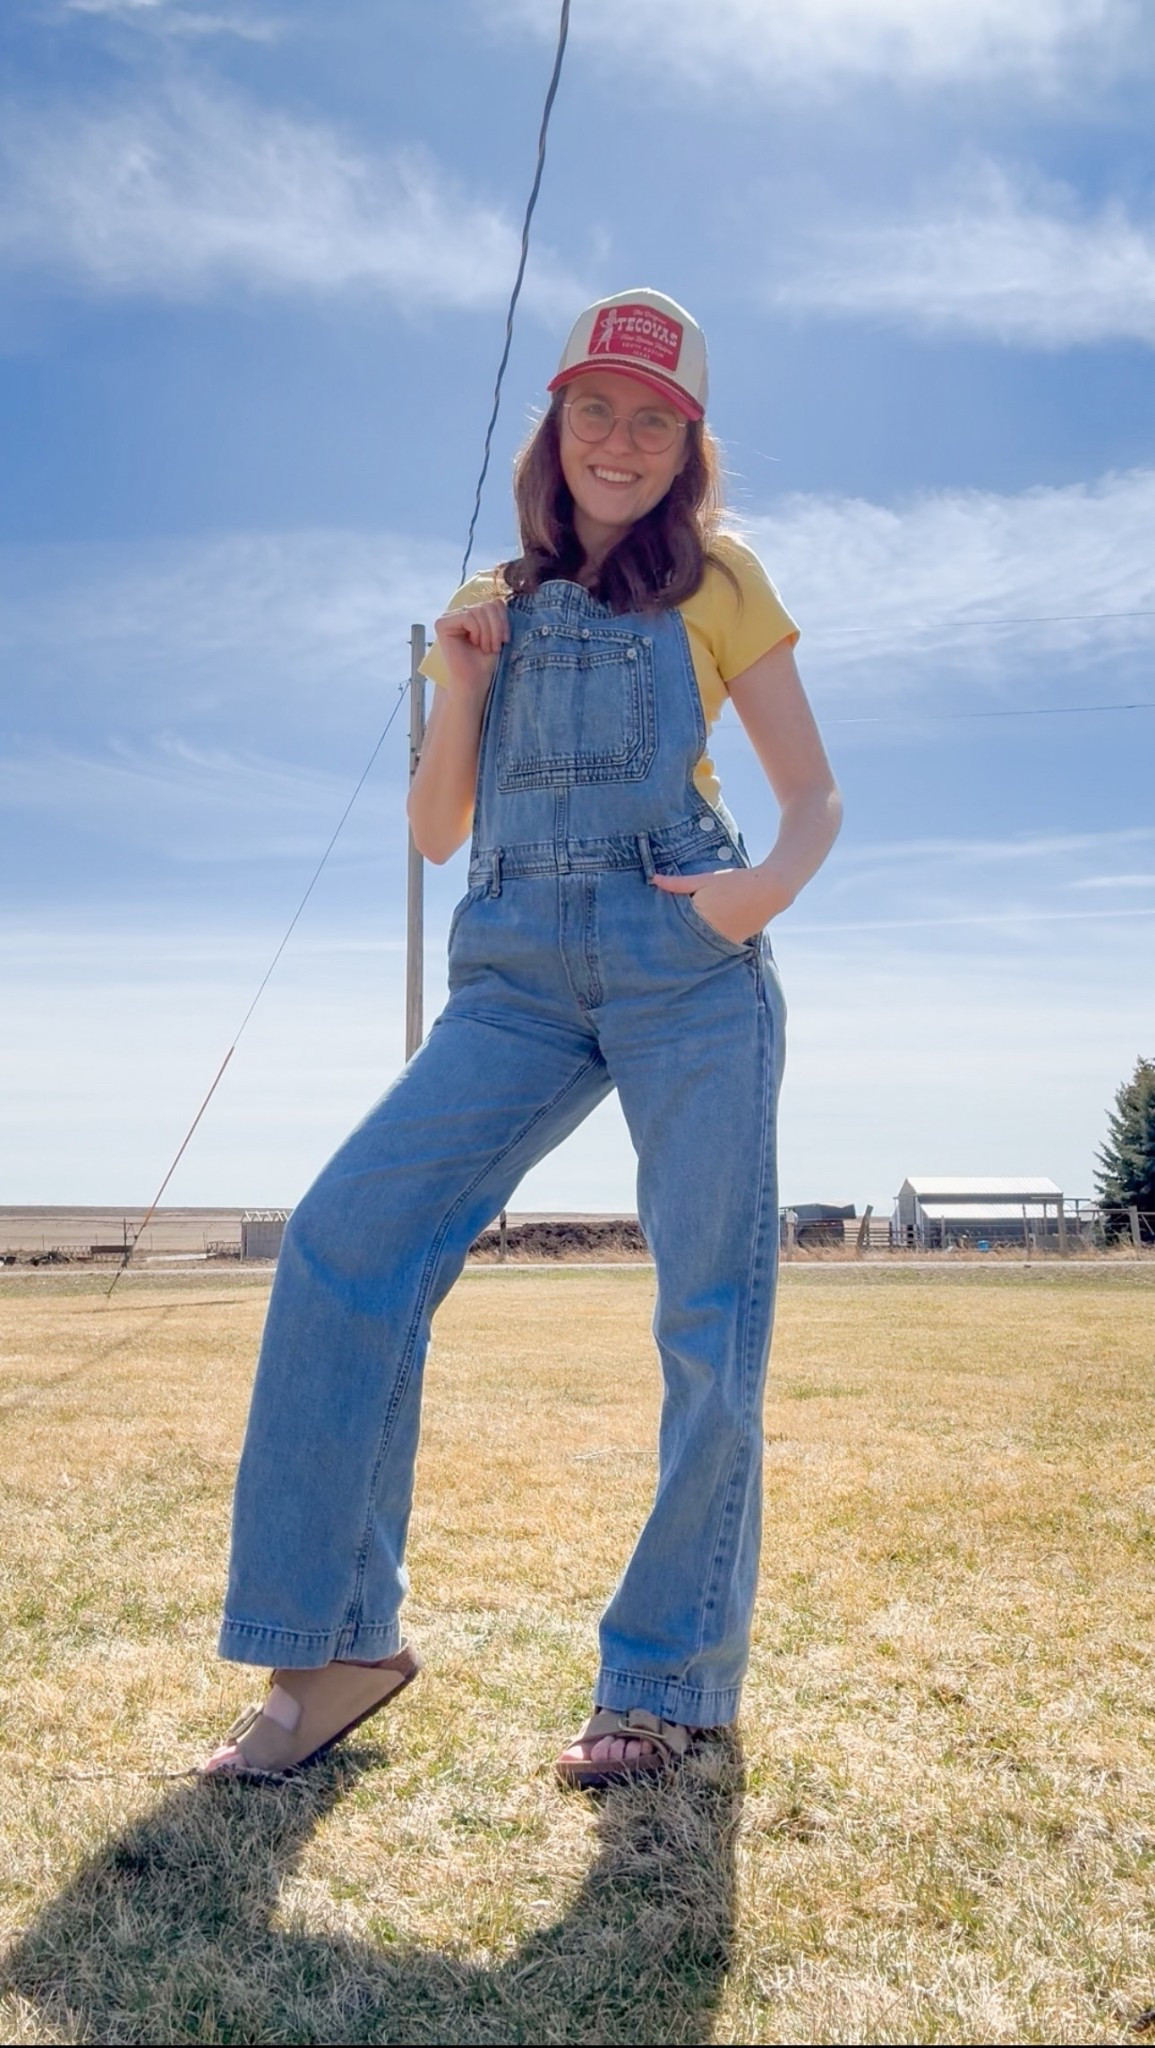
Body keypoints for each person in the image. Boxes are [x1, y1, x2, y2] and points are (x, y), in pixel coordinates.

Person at [205, 288, 842, 1790]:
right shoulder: (486, 598)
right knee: (345, 1239)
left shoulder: (722, 579)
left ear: (688, 447)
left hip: (686, 963)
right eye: (594, 410)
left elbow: (814, 795)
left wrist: (746, 902)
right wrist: (465, 676)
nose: (620, 441)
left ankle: (668, 1682)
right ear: (552, 430)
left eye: (654, 419)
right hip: (513, 983)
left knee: (707, 1319)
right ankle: (336, 1647)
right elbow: (437, 835)